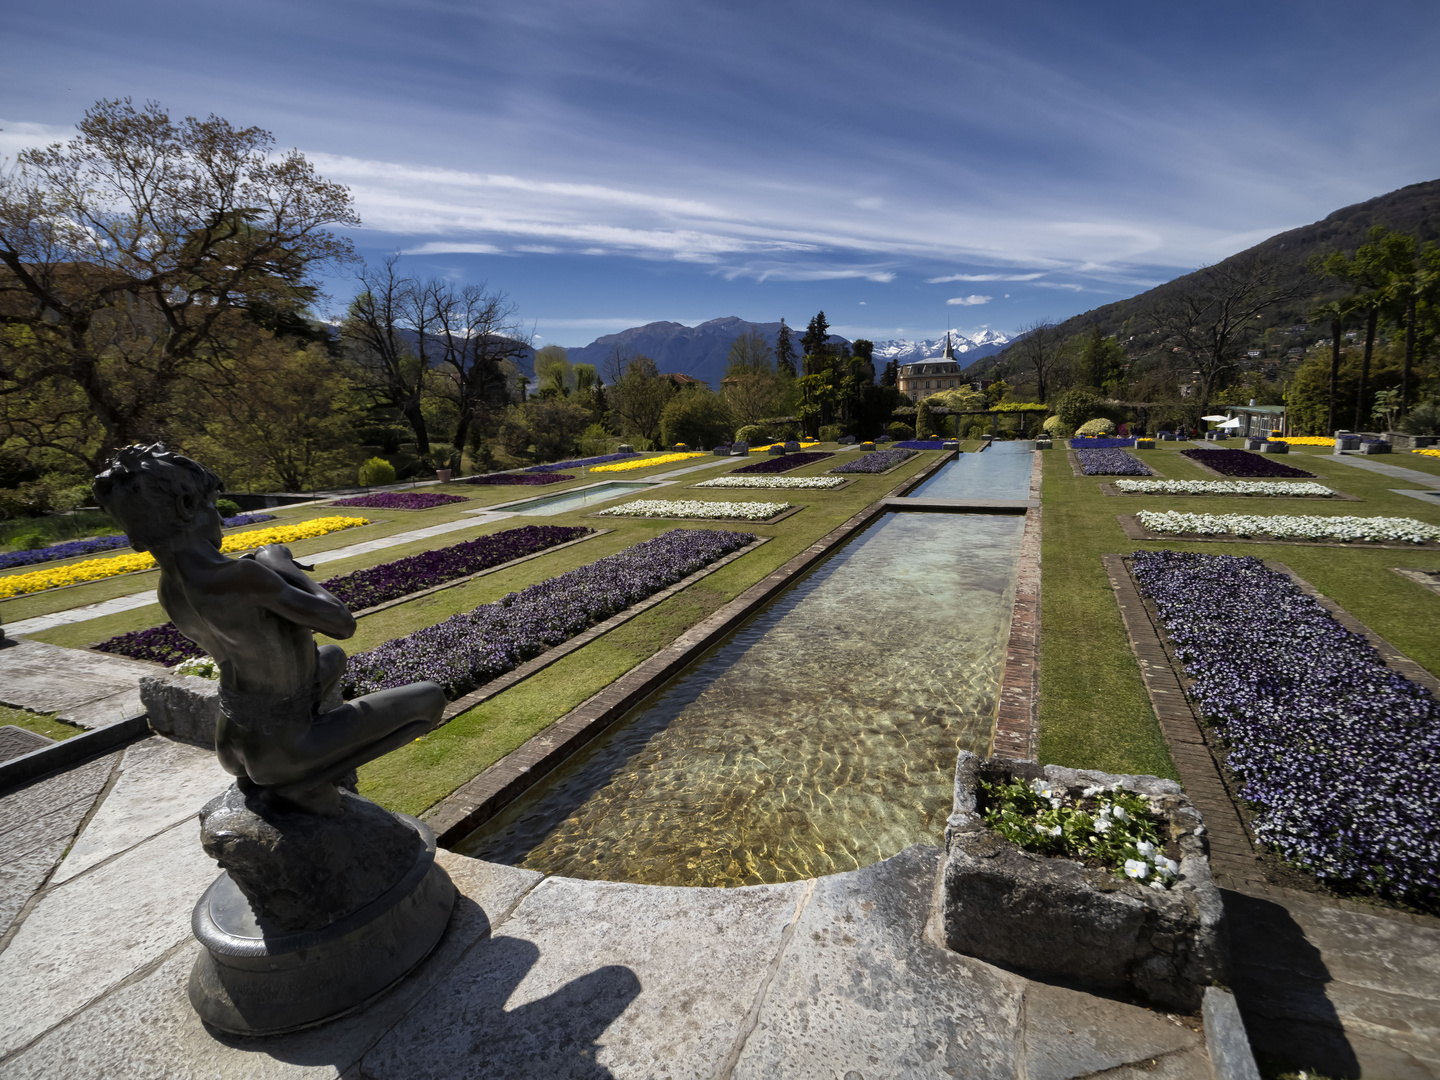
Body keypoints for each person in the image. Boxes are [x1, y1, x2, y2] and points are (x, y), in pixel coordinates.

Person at [94, 444, 445, 814]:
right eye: (212, 505)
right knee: (429, 698)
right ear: (185, 507)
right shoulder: (241, 577)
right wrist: (280, 564)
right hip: (283, 751)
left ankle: (282, 768)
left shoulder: (169, 588)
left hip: (231, 744)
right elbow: (340, 623)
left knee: (331, 659)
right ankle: (304, 784)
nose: (218, 517)